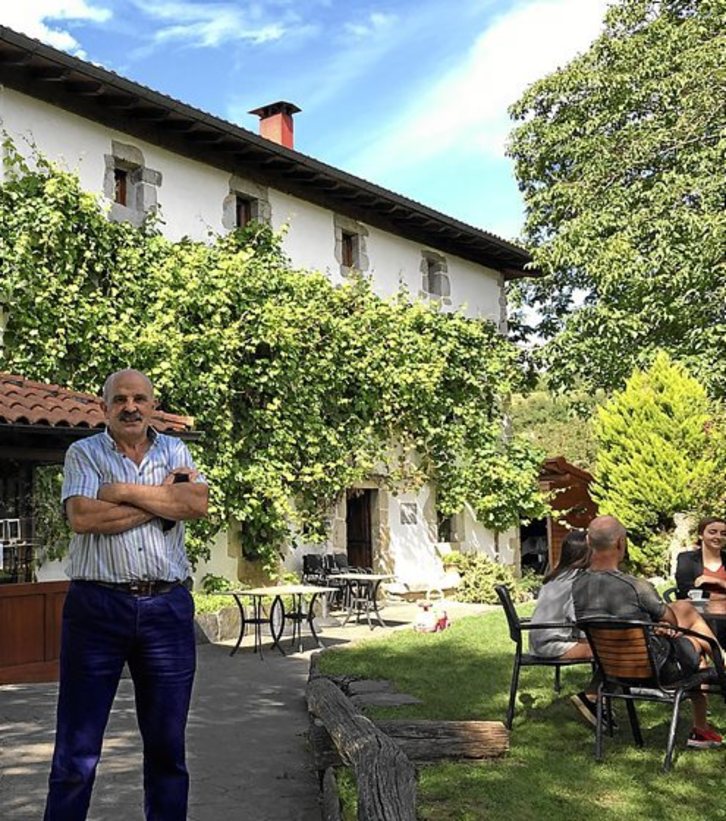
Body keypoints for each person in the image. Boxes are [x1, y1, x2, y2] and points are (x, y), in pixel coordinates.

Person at [44, 369, 209, 820]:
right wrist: (162, 501)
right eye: (120, 399)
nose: (130, 407)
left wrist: (118, 493)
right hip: (96, 609)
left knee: (167, 748)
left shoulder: (175, 449)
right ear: (105, 408)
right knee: (77, 750)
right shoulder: (83, 452)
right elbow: (83, 518)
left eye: (139, 399)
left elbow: (195, 504)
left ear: (153, 406)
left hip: (166, 609)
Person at [573, 515, 723, 749]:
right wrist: (662, 626)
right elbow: (671, 621)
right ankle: (701, 726)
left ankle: (704, 723)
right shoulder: (636, 586)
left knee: (683, 608)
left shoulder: (578, 585)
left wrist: (656, 625)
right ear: (621, 543)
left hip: (613, 668)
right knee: (697, 644)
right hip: (657, 669)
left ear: (588, 542)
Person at [528, 530, 601, 726]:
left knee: (606, 648)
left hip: (540, 641)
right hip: (553, 644)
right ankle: (591, 697)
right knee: (610, 651)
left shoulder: (556, 576)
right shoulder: (579, 581)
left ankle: (599, 700)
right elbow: (580, 618)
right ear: (587, 554)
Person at [675, 517, 726, 600]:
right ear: (701, 535)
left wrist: (718, 581)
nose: (718, 536)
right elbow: (686, 592)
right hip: (698, 607)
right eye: (712, 532)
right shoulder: (687, 559)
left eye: (723, 534)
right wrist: (721, 597)